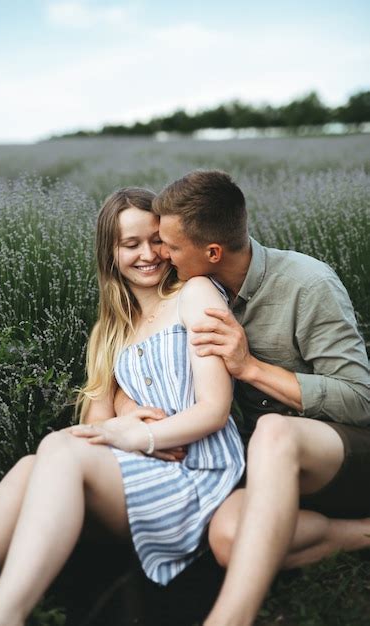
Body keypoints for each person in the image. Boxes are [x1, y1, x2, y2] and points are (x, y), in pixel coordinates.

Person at [0, 187, 245, 626]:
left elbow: (214, 410)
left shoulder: (194, 294)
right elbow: (96, 424)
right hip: (144, 472)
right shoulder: (110, 331)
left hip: (200, 476)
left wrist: (142, 435)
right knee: (34, 466)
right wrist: (126, 417)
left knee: (59, 448)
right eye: (130, 245)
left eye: (156, 239)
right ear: (111, 254)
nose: (148, 254)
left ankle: (0, 616)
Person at [149, 169, 370, 626]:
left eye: (170, 246)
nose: (162, 256)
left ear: (212, 252)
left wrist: (250, 367)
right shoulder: (194, 292)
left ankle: (231, 617)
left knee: (273, 430)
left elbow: (361, 400)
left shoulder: (308, 284)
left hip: (344, 457)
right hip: (268, 471)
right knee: (229, 540)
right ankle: (360, 534)